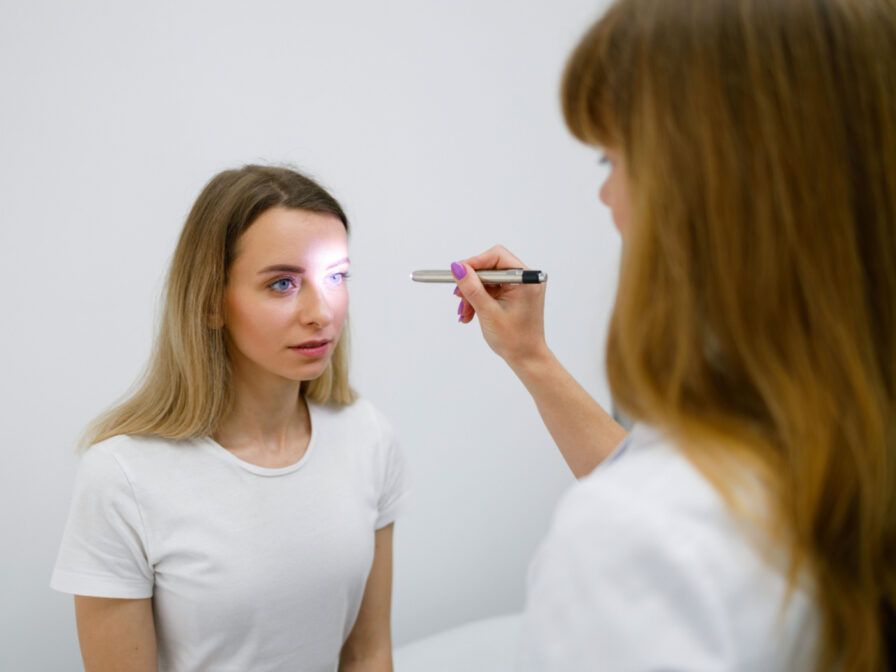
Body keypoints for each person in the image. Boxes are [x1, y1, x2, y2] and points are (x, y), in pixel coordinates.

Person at [449, 0, 895, 670]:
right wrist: (530, 356)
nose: (608, 201)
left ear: (707, 186)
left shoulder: (637, 544)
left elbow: (671, 513)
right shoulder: (846, 428)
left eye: (610, 162)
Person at [50, 165, 410, 672]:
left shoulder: (366, 435)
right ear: (211, 302)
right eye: (284, 283)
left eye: (336, 277)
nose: (321, 312)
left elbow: (368, 653)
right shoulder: (123, 478)